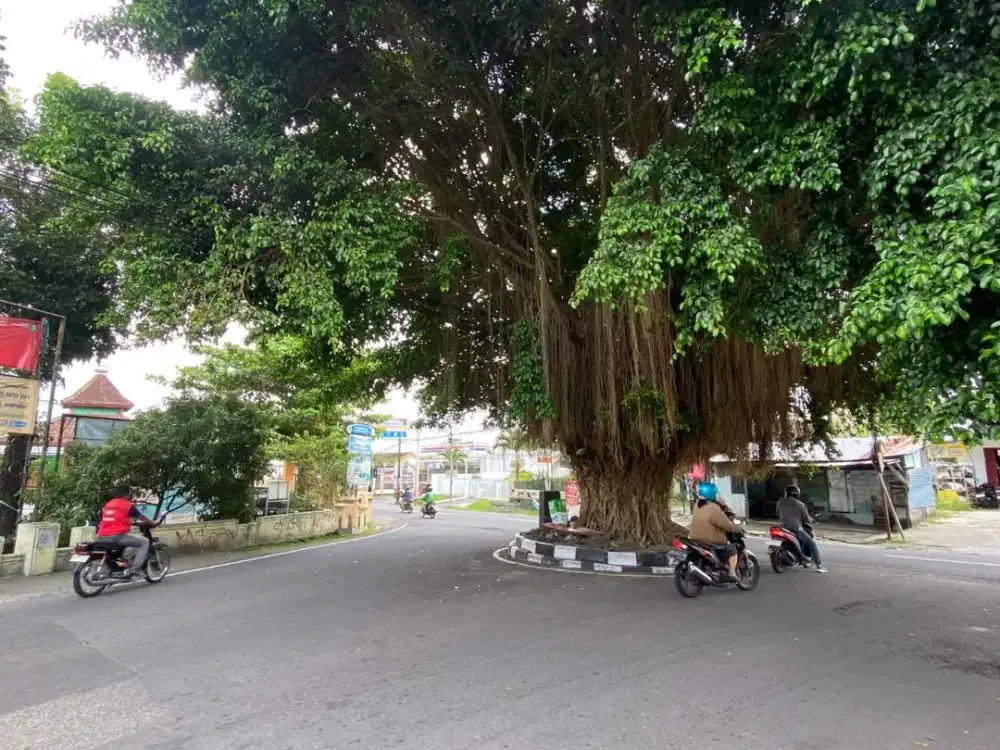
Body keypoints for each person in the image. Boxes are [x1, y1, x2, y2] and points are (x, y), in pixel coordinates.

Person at [96, 484, 161, 578]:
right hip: (116, 536)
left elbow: (114, 518)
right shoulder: (127, 505)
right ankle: (135, 570)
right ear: (126, 494)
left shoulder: (109, 504)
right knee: (144, 542)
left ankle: (122, 566)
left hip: (101, 536)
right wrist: (153, 522)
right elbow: (143, 518)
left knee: (131, 540)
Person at [688, 481, 743, 581]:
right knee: (732, 549)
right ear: (711, 493)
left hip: (695, 538)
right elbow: (727, 526)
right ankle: (731, 573)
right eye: (715, 493)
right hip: (711, 541)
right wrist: (738, 528)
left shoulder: (697, 504)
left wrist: (722, 505)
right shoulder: (713, 508)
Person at [776, 485, 827, 573]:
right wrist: (813, 520)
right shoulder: (800, 504)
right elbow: (807, 519)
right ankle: (819, 566)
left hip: (783, 528)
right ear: (797, 494)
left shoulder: (780, 502)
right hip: (796, 529)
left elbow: (777, 513)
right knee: (813, 545)